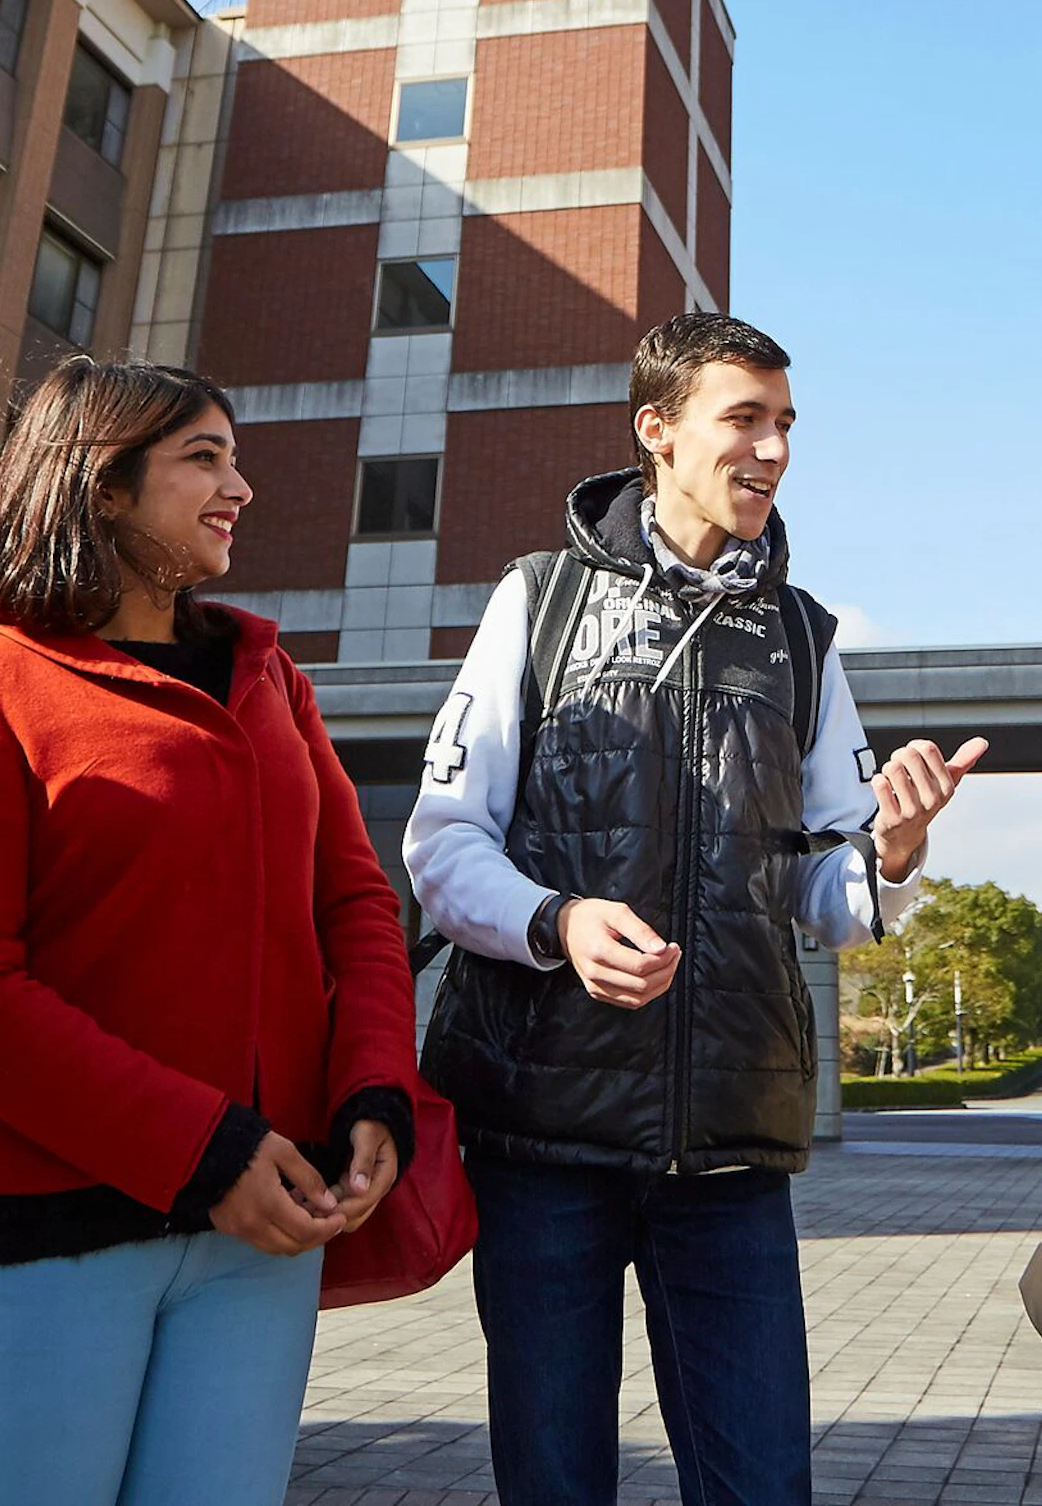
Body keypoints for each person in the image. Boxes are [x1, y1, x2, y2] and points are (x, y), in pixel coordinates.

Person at [406, 310, 987, 1506]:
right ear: (657, 432)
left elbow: (830, 895)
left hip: (730, 1143)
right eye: (745, 420)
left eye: (786, 426)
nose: (772, 449)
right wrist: (560, 921)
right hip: (542, 1135)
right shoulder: (537, 600)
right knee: (555, 1481)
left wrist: (897, 846)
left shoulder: (802, 636)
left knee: (763, 1484)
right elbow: (442, 844)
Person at [0, 357, 419, 1506]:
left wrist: (375, 1090)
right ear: (104, 488)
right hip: (34, 1235)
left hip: (256, 1241)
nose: (242, 486)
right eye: (203, 456)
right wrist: (206, 1148)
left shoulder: (277, 683)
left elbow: (357, 907)